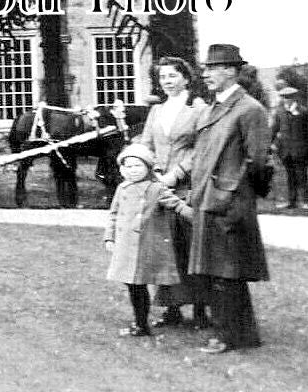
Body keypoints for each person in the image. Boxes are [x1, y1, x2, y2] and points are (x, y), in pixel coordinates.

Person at [166, 44, 270, 354]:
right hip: (207, 200)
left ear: (230, 71)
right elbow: (201, 155)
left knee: (227, 273)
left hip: (228, 203)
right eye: (207, 68)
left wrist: (233, 197)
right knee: (218, 272)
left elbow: (258, 161)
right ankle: (241, 334)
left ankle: (229, 336)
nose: (206, 74)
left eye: (213, 68)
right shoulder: (213, 108)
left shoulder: (249, 109)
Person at [135, 56, 207, 329]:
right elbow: (147, 144)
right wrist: (141, 166)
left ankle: (201, 310)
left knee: (191, 247)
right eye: (163, 77)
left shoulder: (198, 109)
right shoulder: (157, 111)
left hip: (187, 186)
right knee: (166, 248)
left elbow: (201, 149)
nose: (167, 81)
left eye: (172, 76)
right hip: (159, 186)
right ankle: (172, 309)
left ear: (186, 78)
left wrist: (175, 174)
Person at [103, 143, 194, 337]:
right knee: (132, 285)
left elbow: (176, 205)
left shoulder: (156, 189)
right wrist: (109, 238)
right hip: (126, 247)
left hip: (145, 247)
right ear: (121, 169)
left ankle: (142, 325)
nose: (133, 171)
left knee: (139, 283)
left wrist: (197, 218)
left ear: (148, 168)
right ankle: (140, 322)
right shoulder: (122, 188)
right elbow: (113, 214)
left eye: (138, 166)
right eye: (128, 167)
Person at [272, 86, 308, 209]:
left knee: (301, 176)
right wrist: (271, 144)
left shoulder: (303, 112)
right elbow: (274, 129)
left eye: (289, 97)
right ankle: (292, 201)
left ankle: (304, 201)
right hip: (285, 151)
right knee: (290, 176)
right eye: (284, 98)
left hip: (300, 150)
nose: (286, 100)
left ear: (294, 98)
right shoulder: (279, 112)